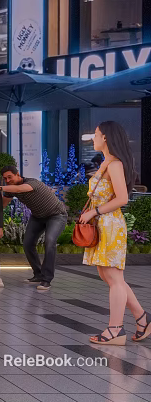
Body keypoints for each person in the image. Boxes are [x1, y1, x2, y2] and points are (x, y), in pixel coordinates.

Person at [82, 121, 146, 345]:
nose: (93, 139)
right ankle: (143, 320)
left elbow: (122, 199)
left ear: (106, 137)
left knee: (114, 278)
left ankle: (115, 330)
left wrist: (94, 213)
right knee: (109, 276)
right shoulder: (107, 162)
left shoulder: (114, 164)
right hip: (104, 224)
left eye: (96, 135)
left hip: (109, 224)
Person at [0, 164, 66, 291]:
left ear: (18, 174)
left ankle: (46, 279)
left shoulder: (32, 182)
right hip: (38, 217)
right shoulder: (10, 189)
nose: (8, 180)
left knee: (50, 242)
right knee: (27, 243)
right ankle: (38, 274)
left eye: (10, 177)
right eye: (5, 178)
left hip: (56, 215)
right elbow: (2, 205)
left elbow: (21, 189)